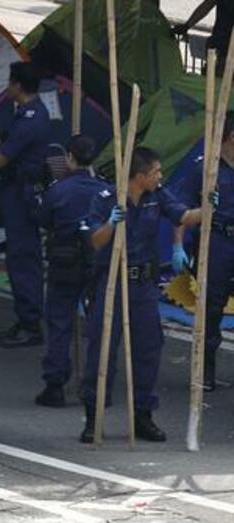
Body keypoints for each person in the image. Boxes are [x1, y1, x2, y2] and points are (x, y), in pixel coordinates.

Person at [79, 147, 207, 443]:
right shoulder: (105, 199)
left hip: (143, 286)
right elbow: (95, 242)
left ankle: (143, 415)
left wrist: (208, 208)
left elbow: (184, 215)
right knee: (102, 350)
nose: (160, 176)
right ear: (139, 176)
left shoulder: (157, 195)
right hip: (111, 283)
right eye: (155, 172)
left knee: (148, 349)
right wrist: (112, 223)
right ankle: (94, 416)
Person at [34, 135, 107, 408]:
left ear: (69, 157)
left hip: (64, 260)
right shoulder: (103, 190)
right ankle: (96, 382)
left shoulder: (58, 190)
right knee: (98, 323)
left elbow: (42, 220)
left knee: (59, 322)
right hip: (95, 261)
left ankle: (55, 384)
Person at [0, 62, 51, 348]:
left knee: (23, 257)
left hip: (21, 194)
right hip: (19, 191)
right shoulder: (30, 113)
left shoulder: (29, 119)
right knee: (20, 257)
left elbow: (0, 158)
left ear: (17, 85)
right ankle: (25, 317)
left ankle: (30, 321)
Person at [178, 113, 234, 392]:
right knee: (211, 307)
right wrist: (178, 246)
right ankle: (206, 368)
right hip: (216, 241)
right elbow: (181, 210)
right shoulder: (205, 169)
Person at [173, 0, 234, 64]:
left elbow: (208, 5)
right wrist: (186, 26)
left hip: (220, 48)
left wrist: (187, 26)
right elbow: (207, 5)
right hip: (219, 49)